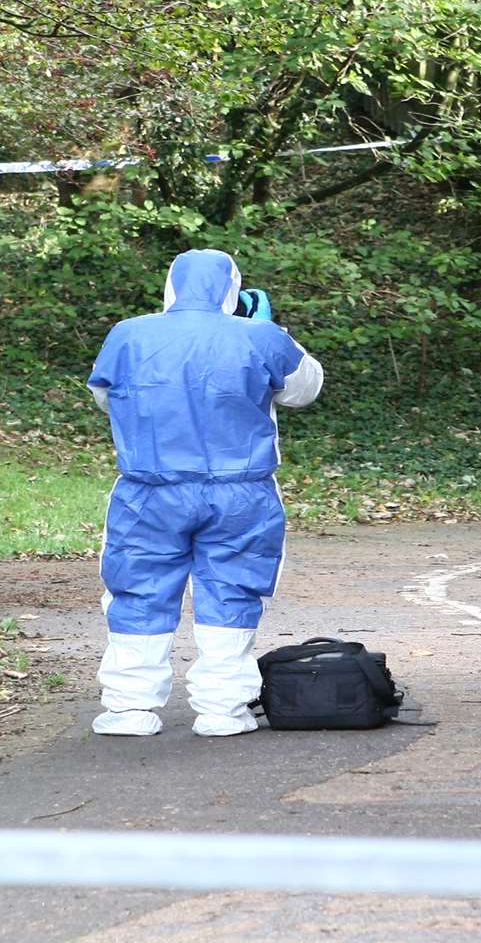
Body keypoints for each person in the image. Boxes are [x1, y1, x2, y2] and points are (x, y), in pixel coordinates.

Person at [85, 249, 324, 736]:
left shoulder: (128, 334)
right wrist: (270, 331)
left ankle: (130, 709)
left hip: (148, 491)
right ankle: (223, 709)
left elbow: (105, 398)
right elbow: (304, 390)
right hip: (241, 494)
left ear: (171, 286)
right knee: (232, 591)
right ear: (232, 290)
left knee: (138, 590)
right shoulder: (261, 337)